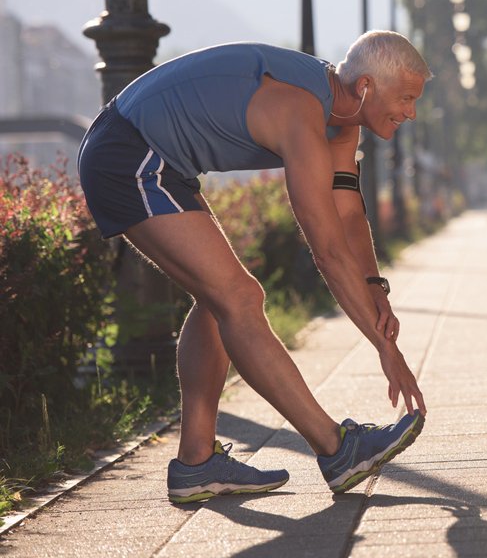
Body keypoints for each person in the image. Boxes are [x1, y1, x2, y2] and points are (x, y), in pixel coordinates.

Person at [77, 31, 430, 503]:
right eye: (405, 99)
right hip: (127, 153)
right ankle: (336, 449)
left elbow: (347, 215)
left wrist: (375, 289)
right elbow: (326, 247)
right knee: (239, 298)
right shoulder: (300, 111)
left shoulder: (343, 123)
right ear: (366, 85)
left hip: (158, 162)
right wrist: (384, 348)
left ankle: (196, 461)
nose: (410, 112)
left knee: (221, 300)